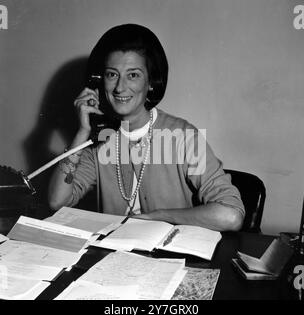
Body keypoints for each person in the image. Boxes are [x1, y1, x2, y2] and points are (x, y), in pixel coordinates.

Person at [48, 24, 245, 231]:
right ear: (100, 82)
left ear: (151, 82)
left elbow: (231, 215)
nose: (120, 88)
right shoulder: (100, 140)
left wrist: (161, 216)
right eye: (112, 75)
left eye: (133, 75)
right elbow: (56, 201)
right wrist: (82, 132)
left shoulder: (183, 136)